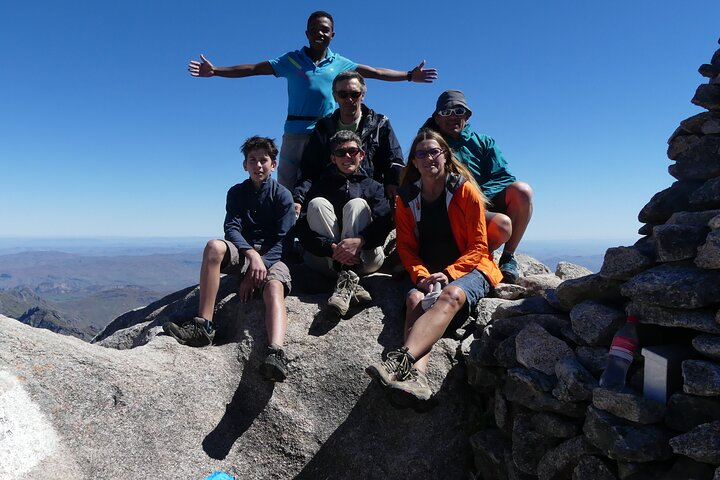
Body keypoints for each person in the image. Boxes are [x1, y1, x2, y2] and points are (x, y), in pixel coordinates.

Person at [188, 10, 437, 189]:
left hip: (326, 132)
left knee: (322, 183)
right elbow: (254, 68)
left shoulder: (341, 63)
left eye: (325, 30)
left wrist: (408, 76)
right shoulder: (291, 60)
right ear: (306, 33)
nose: (320, 33)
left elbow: (375, 72)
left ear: (333, 34)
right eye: (315, 29)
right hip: (295, 132)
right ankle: (287, 243)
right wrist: (217, 70)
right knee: (287, 182)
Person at [366, 129, 502, 405]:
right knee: (415, 297)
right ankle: (418, 379)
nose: (428, 158)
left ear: (445, 156)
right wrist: (422, 275)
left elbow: (478, 246)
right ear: (413, 162)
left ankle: (399, 362)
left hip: (470, 270)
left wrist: (450, 273)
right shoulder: (406, 198)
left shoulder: (465, 190)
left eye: (434, 152)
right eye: (421, 153)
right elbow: (405, 247)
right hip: (429, 271)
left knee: (450, 295)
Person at [163, 136, 295, 382]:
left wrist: (260, 266)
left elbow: (284, 240)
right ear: (244, 165)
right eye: (252, 160)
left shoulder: (283, 196)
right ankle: (204, 326)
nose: (258, 166)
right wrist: (251, 257)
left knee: (274, 287)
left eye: (263, 161)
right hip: (246, 253)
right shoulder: (236, 192)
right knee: (214, 247)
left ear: (273, 165)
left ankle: (276, 352)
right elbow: (231, 229)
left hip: (274, 256)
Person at [421, 90, 533, 284]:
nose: (453, 116)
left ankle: (507, 257)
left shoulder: (483, 142)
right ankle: (465, 258)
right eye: (446, 112)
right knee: (501, 226)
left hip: (483, 204)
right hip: (450, 211)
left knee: (522, 192)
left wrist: (477, 197)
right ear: (437, 118)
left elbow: (504, 176)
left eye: (458, 110)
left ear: (467, 115)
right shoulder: (430, 146)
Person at [295, 130, 393, 316]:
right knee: (317, 204)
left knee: (356, 204)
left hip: (366, 258)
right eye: (340, 152)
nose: (347, 156)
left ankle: (347, 276)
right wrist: (332, 248)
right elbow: (302, 229)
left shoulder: (374, 187)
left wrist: (361, 241)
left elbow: (385, 222)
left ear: (361, 155)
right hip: (326, 259)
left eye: (352, 151)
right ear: (333, 158)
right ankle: (347, 277)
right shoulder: (319, 187)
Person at [293, 71, 404, 214]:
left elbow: (395, 160)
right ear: (334, 96)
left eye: (354, 94)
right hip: (330, 197)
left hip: (369, 198)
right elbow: (309, 169)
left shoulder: (380, 124)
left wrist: (393, 183)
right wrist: (298, 198)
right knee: (316, 206)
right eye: (343, 94)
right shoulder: (324, 128)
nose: (349, 99)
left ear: (363, 95)